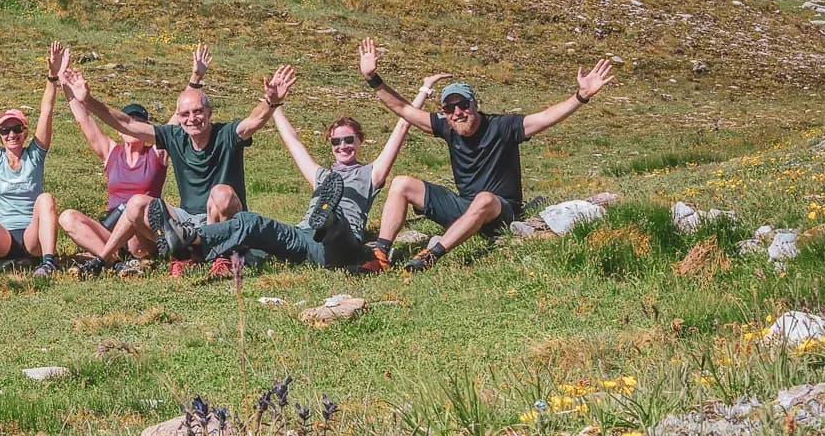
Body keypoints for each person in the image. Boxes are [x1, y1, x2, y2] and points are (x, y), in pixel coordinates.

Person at [131, 68, 443, 271]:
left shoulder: (372, 173)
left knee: (335, 227)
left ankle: (329, 216)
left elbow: (403, 126)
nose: (343, 145)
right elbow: (292, 141)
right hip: (301, 237)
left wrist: (423, 91)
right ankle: (190, 238)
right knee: (250, 221)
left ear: (361, 142)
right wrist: (273, 103)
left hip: (339, 247)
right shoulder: (322, 176)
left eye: (349, 140)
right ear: (331, 145)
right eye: (336, 141)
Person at [360, 37, 617, 270]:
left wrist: (581, 96)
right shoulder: (446, 127)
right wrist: (373, 78)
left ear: (475, 105)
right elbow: (403, 108)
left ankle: (431, 255)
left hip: (500, 212)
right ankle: (381, 253)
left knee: (484, 199)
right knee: (402, 183)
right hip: (466, 208)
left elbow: (546, 117)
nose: (457, 112)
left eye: (463, 105)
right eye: (450, 108)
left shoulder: (503, 127)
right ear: (444, 114)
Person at [61, 44, 282, 277]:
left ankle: (222, 256)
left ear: (209, 113)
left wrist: (270, 102)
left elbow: (252, 122)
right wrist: (88, 99)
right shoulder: (174, 137)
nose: (192, 119)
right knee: (135, 203)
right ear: (179, 117)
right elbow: (124, 123)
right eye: (185, 115)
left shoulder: (225, 134)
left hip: (223, 218)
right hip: (185, 219)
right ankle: (117, 260)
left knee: (221, 193)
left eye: (198, 112)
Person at [0, 38, 68, 285]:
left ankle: (48, 262)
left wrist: (52, 78)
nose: (11, 135)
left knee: (45, 199)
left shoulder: (35, 154)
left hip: (32, 236)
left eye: (16, 128)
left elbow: (46, 112)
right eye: (5, 131)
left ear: (25, 131)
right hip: (3, 237)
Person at [55, 92, 169, 278]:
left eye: (138, 122)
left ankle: (103, 259)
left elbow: (177, 121)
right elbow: (84, 119)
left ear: (146, 129)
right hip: (114, 231)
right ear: (118, 128)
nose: (131, 127)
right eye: (126, 121)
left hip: (142, 234)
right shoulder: (111, 152)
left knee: (135, 208)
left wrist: (195, 79)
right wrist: (63, 81)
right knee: (68, 217)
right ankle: (116, 263)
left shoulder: (157, 153)